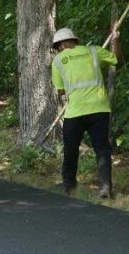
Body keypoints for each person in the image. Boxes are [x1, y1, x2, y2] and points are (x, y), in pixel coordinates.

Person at [50, 27, 118, 199]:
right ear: (75, 40)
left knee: (71, 149)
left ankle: (69, 185)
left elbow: (60, 91)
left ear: (62, 45)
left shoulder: (58, 61)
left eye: (58, 47)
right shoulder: (94, 51)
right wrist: (116, 39)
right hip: (100, 109)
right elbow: (116, 60)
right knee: (102, 149)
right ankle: (105, 187)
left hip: (75, 112)